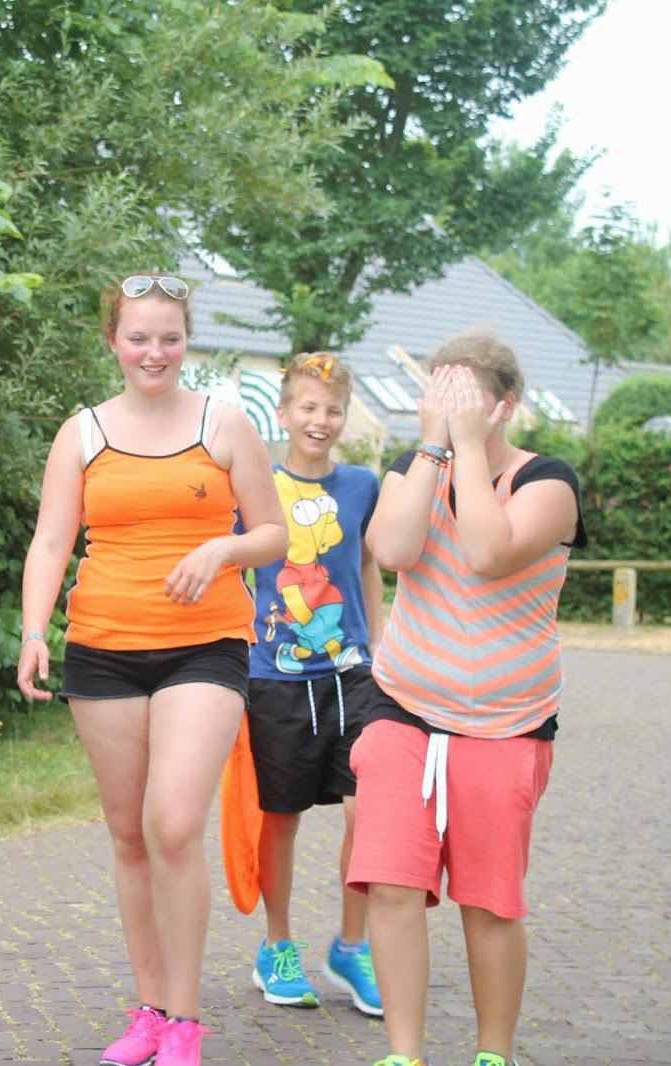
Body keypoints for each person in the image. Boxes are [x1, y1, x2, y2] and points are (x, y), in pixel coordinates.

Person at [17, 274, 288, 1066]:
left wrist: (223, 547)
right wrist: (34, 630)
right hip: (102, 648)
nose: (154, 352)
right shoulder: (82, 433)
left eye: (169, 337)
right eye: (139, 337)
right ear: (114, 341)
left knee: (173, 824)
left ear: (186, 340)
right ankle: (149, 1011)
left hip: (206, 645)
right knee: (131, 834)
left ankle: (187, 1021)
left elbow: (273, 534)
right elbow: (50, 541)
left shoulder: (223, 422)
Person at [352, 332, 587, 1066]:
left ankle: (493, 1053)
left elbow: (487, 552)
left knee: (488, 902)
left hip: (506, 726)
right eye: (438, 391)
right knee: (391, 886)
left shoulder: (548, 482)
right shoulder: (412, 468)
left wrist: (471, 450)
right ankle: (404, 1053)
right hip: (403, 710)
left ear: (505, 406)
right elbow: (393, 552)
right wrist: (433, 449)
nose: (448, 408)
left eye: (464, 397)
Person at [244, 353, 384, 1017]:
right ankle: (276, 946)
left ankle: (352, 947)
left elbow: (368, 566)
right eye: (307, 406)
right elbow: (234, 571)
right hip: (275, 677)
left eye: (332, 409)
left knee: (369, 811)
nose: (319, 420)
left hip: (353, 673)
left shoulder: (363, 486)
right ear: (283, 413)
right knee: (281, 817)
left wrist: (379, 650)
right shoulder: (256, 487)